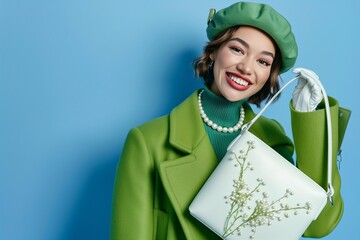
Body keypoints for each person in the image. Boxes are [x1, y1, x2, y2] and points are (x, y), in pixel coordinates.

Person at [110, 2, 349, 239]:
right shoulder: (148, 141)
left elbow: (316, 225)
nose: (246, 67)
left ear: (269, 76)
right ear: (213, 51)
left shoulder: (272, 138)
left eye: (263, 61)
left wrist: (309, 119)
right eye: (237, 49)